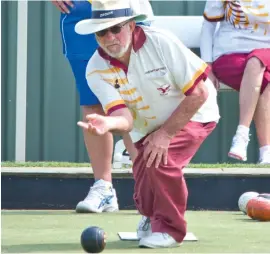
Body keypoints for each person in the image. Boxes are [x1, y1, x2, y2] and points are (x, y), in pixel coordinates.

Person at [75, 0, 220, 248]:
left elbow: (199, 94)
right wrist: (108, 123)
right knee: (142, 173)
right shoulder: (95, 69)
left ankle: (171, 230)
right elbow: (126, 119)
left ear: (131, 26)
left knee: (161, 161)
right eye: (102, 31)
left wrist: (165, 135)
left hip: (195, 112)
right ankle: (150, 217)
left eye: (116, 28)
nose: (110, 37)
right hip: (148, 125)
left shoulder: (161, 42)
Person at [51, 0, 154, 213]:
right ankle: (104, 188)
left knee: (131, 101)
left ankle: (149, 189)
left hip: (127, 9)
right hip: (80, 12)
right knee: (92, 103)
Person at [200, 0, 270, 164]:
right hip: (230, 53)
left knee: (256, 61)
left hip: (266, 52)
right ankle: (265, 152)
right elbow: (208, 26)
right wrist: (207, 65)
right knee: (260, 72)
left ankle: (242, 135)